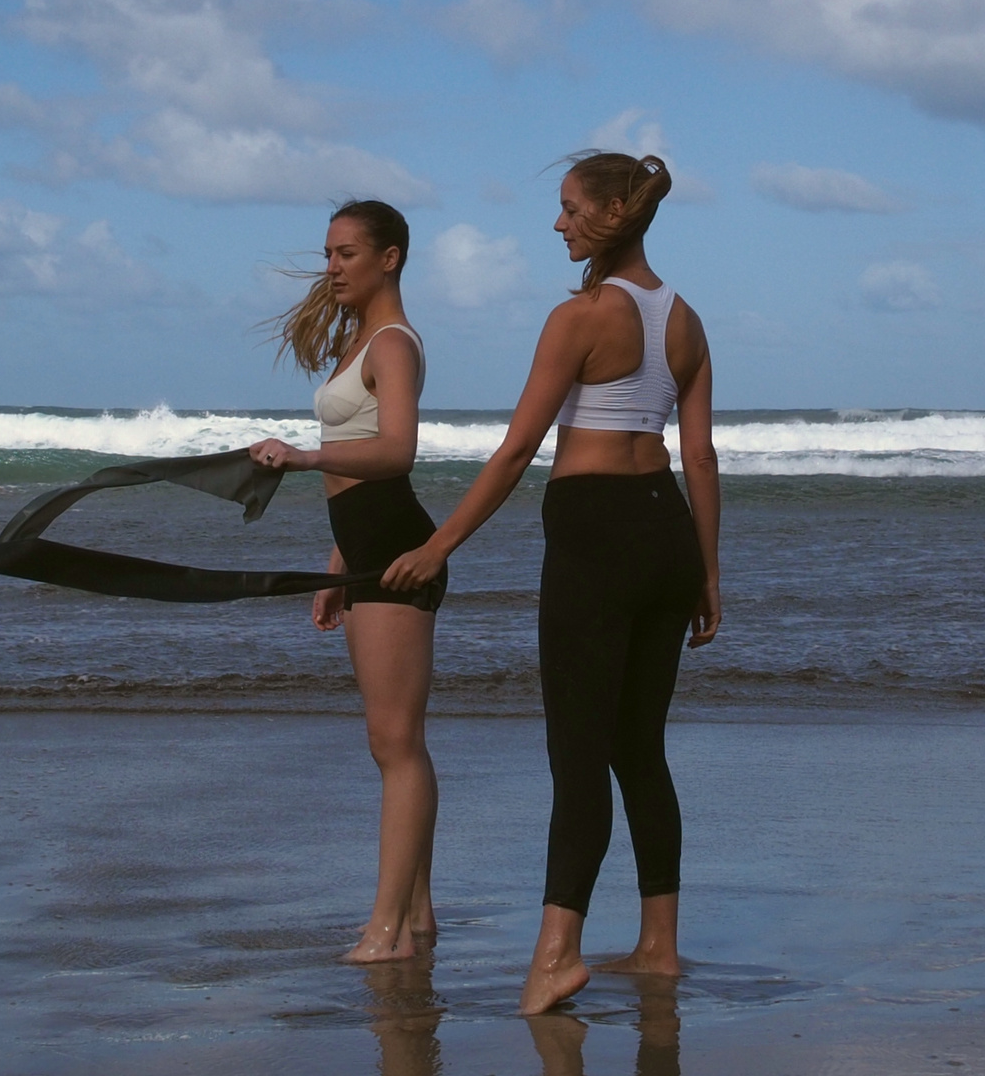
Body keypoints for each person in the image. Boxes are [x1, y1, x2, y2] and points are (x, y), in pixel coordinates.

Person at [380, 152, 721, 1014]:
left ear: (610, 213)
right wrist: (709, 572)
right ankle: (658, 945)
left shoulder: (579, 318)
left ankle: (557, 955)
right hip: (669, 535)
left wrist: (441, 545)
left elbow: (517, 451)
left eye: (570, 209)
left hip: (596, 536)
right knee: (639, 751)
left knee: (578, 754)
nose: (558, 223)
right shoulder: (685, 321)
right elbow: (701, 457)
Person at [249, 199, 446, 963]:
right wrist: (336, 567)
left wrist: (304, 458)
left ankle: (386, 929)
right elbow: (355, 470)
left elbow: (395, 452)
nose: (331, 267)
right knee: (391, 741)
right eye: (328, 254)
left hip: (397, 552)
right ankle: (417, 914)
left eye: (346, 254)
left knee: (396, 743)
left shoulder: (392, 344)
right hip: (364, 552)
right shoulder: (358, 340)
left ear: (389, 258)